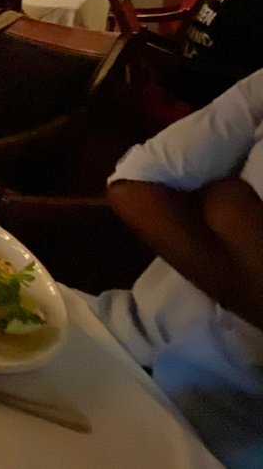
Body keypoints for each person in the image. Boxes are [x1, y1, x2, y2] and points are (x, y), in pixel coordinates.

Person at [92, 68, 263, 467]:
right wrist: (240, 234)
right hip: (121, 337)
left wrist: (228, 209)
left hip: (227, 439)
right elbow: (134, 181)